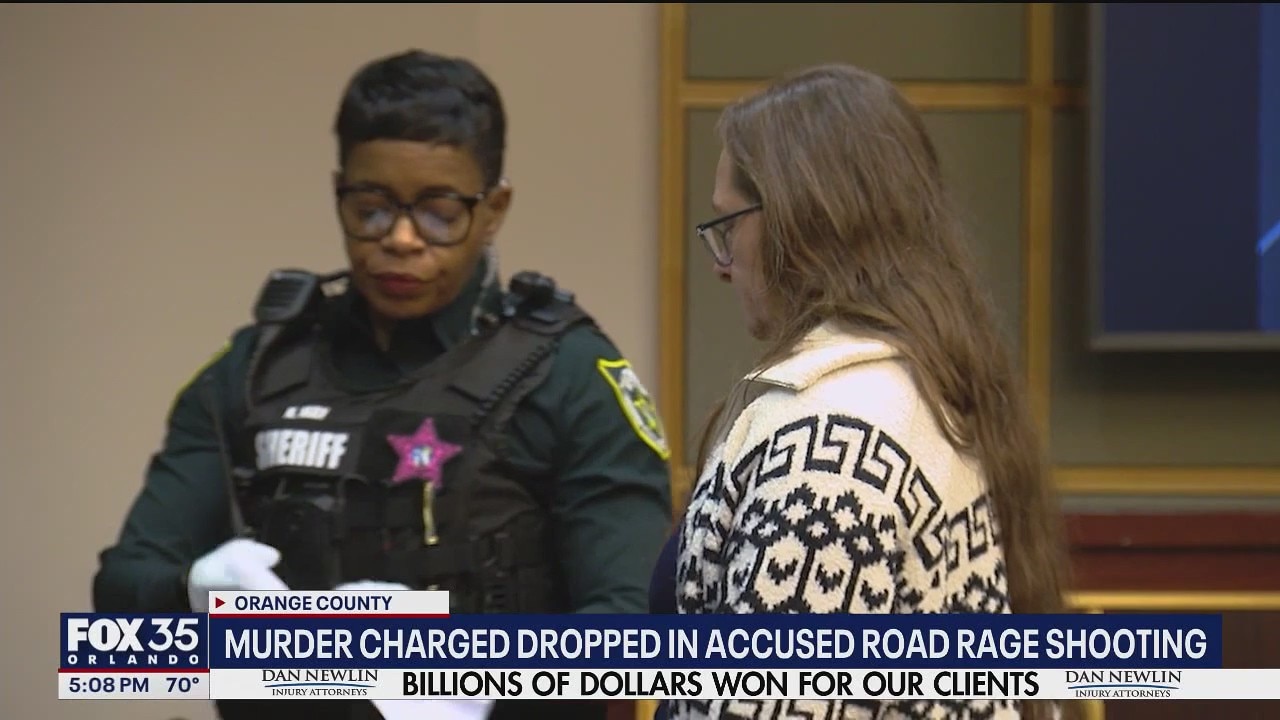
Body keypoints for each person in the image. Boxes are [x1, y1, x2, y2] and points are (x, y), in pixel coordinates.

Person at [92, 48, 673, 720]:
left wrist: (476, 673)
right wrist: (195, 592)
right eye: (370, 207)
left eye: (439, 212)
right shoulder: (256, 369)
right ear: (338, 192)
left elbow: (632, 629)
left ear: (494, 208)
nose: (399, 238)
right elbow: (119, 602)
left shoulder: (566, 373)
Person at [651, 64, 1073, 720]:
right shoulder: (926, 385)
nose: (720, 265)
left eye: (728, 226)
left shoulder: (826, 448)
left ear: (798, 222)